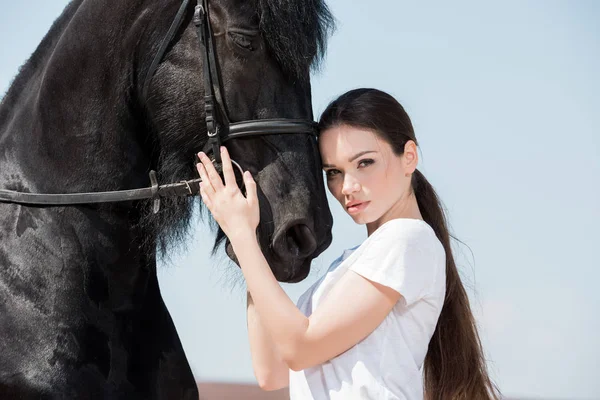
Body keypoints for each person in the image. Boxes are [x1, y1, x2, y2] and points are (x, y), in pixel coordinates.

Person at [196, 88, 500, 400]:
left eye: (365, 163)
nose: (348, 187)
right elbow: (271, 371)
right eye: (334, 173)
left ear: (409, 157)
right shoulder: (348, 267)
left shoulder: (407, 239)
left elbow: (299, 348)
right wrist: (249, 239)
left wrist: (243, 236)